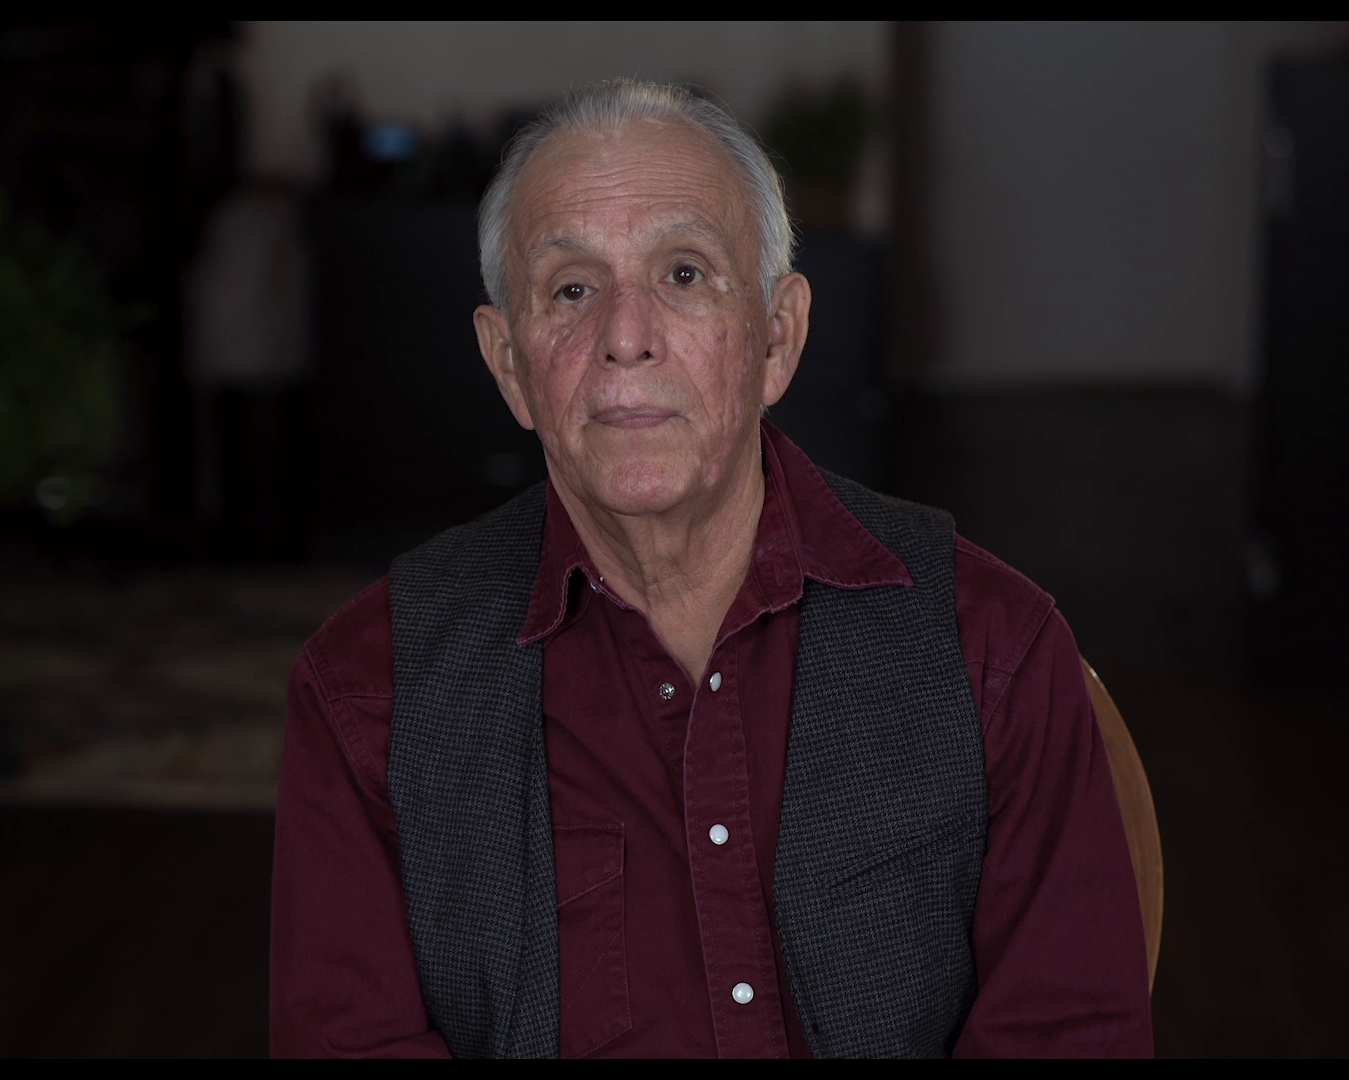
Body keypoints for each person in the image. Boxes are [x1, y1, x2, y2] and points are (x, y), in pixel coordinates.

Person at [268, 79, 1151, 1059]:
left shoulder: (992, 649)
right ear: (509, 363)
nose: (625, 337)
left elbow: (1068, 1035)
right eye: (572, 289)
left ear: (777, 338)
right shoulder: (367, 689)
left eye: (683, 274)